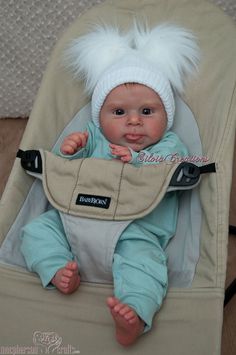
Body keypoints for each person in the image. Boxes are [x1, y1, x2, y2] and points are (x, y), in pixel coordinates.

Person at [20, 23, 199, 346]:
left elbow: (175, 167)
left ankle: (134, 312)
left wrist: (139, 162)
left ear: (166, 116)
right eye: (119, 112)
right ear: (100, 116)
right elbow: (70, 175)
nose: (133, 121)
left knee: (146, 267)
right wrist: (72, 150)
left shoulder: (168, 147)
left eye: (147, 111)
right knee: (36, 231)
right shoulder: (95, 140)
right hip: (73, 221)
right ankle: (59, 268)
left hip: (134, 232)